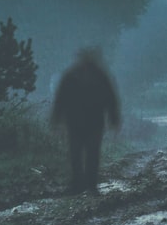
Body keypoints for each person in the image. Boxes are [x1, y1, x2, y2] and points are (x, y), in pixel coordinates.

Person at [51, 47, 121, 195]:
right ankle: (78, 184)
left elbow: (111, 99)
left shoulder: (99, 76)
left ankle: (90, 185)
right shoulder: (72, 76)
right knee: (76, 154)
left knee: (92, 154)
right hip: (77, 122)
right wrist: (56, 119)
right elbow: (61, 99)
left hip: (93, 122)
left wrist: (114, 119)